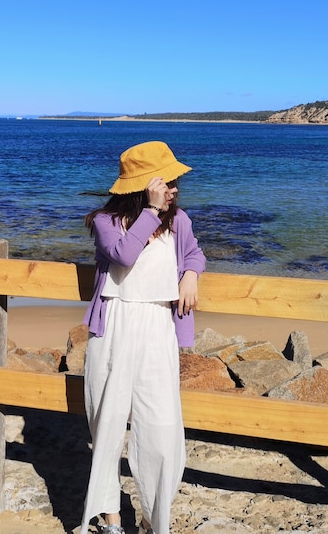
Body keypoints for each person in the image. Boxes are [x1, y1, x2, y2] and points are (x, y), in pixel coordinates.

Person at [80, 141, 206, 534]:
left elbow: (195, 253)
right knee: (107, 425)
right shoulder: (105, 222)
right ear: (146, 186)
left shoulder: (179, 220)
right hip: (114, 327)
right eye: (167, 183)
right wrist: (150, 212)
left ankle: (155, 519)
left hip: (157, 327)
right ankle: (110, 519)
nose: (175, 190)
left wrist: (190, 274)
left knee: (161, 428)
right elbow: (122, 255)